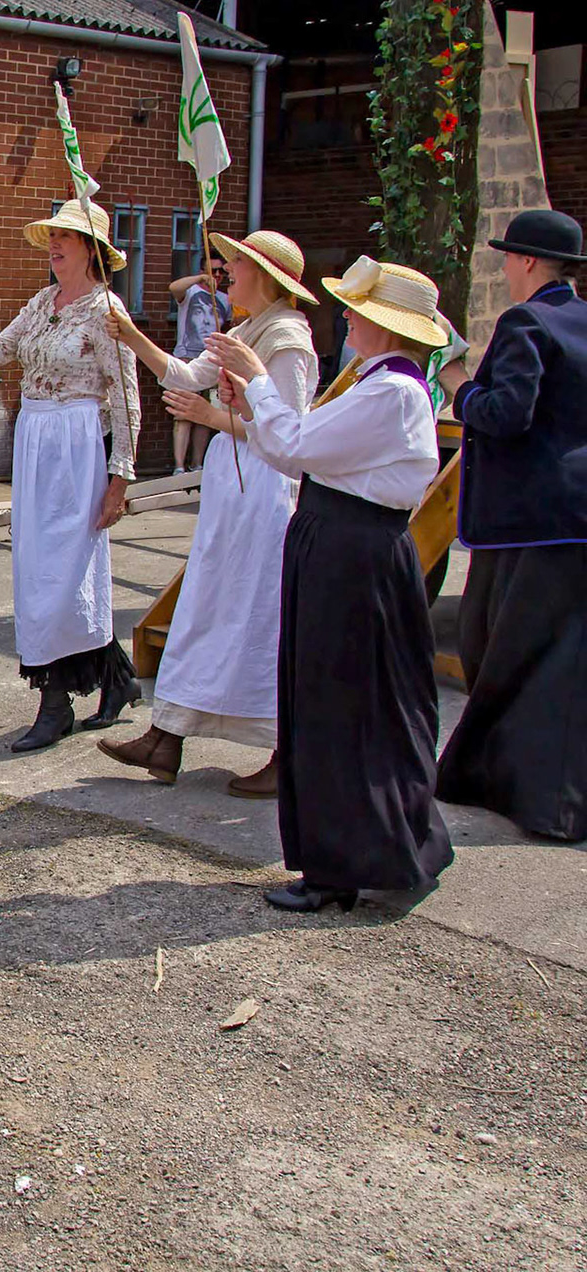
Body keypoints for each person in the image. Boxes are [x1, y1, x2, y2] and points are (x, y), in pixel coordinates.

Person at [207, 257, 454, 911]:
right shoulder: (376, 385)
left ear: (383, 325)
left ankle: (338, 866)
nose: (345, 317)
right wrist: (255, 408)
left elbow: (295, 446)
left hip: (352, 552)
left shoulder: (390, 392)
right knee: (345, 700)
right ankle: (359, 852)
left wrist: (258, 384)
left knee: (336, 702)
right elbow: (296, 442)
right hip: (343, 542)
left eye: (358, 311)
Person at [97, 230, 319, 794]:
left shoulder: (287, 338)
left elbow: (287, 431)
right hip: (230, 482)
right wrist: (132, 338)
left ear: (264, 277)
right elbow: (183, 374)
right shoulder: (243, 329)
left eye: (236, 266)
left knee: (257, 613)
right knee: (203, 605)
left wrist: (212, 416)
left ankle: (283, 748)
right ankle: (166, 733)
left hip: (264, 490)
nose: (224, 273)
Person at [0, 200, 141, 752]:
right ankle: (117, 678)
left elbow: (127, 398)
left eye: (68, 236)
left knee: (64, 568)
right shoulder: (42, 301)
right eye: (53, 236)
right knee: (42, 567)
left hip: (77, 442)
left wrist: (120, 478)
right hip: (36, 440)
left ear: (92, 249)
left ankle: (54, 703)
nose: (56, 245)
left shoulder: (108, 312)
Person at [436, 208, 587, 843]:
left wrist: (458, 384)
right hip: (572, 517)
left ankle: (526, 795)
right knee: (559, 663)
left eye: (506, 257)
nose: (503, 267)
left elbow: (506, 413)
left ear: (526, 261)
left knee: (500, 653)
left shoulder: (526, 320)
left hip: (529, 522)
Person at [166, 251, 231, 474]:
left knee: (204, 415)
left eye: (222, 271)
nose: (218, 275)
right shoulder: (191, 292)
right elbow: (174, 288)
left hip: (211, 360)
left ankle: (197, 464)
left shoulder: (224, 299)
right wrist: (200, 279)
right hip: (187, 357)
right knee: (182, 414)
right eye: (213, 270)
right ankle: (179, 465)